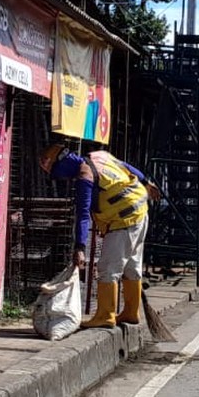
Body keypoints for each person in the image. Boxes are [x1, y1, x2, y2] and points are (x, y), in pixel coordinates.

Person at [39, 141, 162, 329]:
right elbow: (126, 167)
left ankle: (106, 315)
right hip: (140, 212)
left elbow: (83, 213)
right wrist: (146, 182)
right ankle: (131, 312)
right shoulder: (99, 156)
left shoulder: (84, 175)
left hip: (123, 221)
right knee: (131, 266)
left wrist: (80, 247)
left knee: (107, 268)